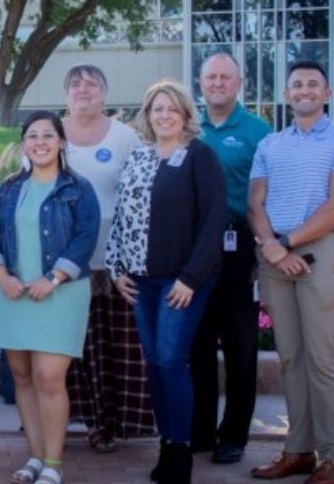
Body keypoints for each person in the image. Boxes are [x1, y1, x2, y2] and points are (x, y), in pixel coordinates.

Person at [107, 80, 225, 484]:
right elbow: (122, 217)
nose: (164, 115)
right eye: (157, 108)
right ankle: (167, 444)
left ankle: (180, 450)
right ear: (147, 114)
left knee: (173, 361)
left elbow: (214, 222)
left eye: (172, 108)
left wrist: (191, 278)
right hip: (141, 281)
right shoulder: (138, 157)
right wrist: (117, 270)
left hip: (182, 282)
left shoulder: (200, 157)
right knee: (155, 365)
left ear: (186, 115)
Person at [0, 110, 100, 484]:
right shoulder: (9, 188)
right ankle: (34, 457)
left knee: (49, 376)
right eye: (32, 136)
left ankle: (53, 463)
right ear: (24, 144)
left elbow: (86, 237)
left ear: (62, 141)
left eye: (48, 135)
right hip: (13, 295)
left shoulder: (78, 189)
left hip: (61, 294)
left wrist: (53, 278)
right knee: (22, 376)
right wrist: (2, 276)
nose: (40, 142)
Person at [248, 60, 334, 483]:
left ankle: (331, 458)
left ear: (327, 93)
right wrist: (273, 247)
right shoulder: (270, 144)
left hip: (318, 248)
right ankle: (298, 450)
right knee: (290, 359)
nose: (304, 89)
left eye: (313, 84)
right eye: (297, 84)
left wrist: (288, 243)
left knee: (323, 360)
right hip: (275, 253)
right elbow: (255, 203)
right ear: (286, 94)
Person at [60, 64, 154, 452]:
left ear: (105, 93)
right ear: (66, 93)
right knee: (73, 346)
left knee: (115, 345)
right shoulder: (51, 131)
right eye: (76, 83)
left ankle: (111, 425)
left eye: (92, 83)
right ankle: (62, 420)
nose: (84, 89)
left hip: (117, 261)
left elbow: (142, 192)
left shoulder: (125, 137)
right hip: (65, 262)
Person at [190, 53, 271, 464]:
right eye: (210, 77)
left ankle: (234, 435)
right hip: (193, 252)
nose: (217, 83)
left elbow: (269, 195)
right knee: (196, 345)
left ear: (239, 83)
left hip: (241, 246)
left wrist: (263, 247)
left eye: (225, 77)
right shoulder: (188, 127)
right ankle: (200, 432)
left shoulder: (259, 131)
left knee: (240, 347)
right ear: (200, 83)